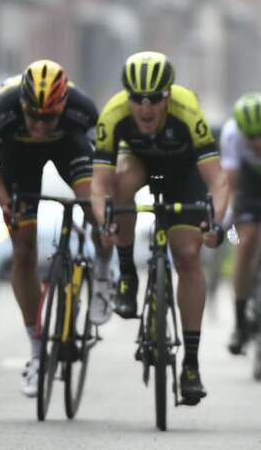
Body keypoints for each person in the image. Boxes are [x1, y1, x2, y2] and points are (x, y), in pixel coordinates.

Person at [91, 51, 229, 406]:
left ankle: (192, 364)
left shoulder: (187, 110)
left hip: (185, 174)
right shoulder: (113, 114)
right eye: (138, 99)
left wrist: (215, 221)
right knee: (121, 186)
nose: (146, 108)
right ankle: (127, 277)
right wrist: (104, 221)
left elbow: (217, 182)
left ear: (168, 95)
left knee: (186, 254)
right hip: (140, 164)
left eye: (155, 99)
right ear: (128, 98)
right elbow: (99, 184)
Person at [0, 60, 109, 397]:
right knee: (23, 248)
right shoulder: (3, 109)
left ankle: (104, 273)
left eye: (48, 118)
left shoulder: (82, 109)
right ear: (22, 105)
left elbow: (107, 159)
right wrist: (5, 202)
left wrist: (104, 203)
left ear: (63, 105)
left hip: (70, 149)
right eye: (32, 115)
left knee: (94, 210)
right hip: (19, 158)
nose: (38, 124)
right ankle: (37, 353)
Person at [221, 93, 261, 355]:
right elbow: (231, 186)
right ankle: (240, 320)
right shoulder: (232, 134)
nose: (256, 143)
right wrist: (227, 217)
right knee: (246, 244)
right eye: (250, 138)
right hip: (248, 183)